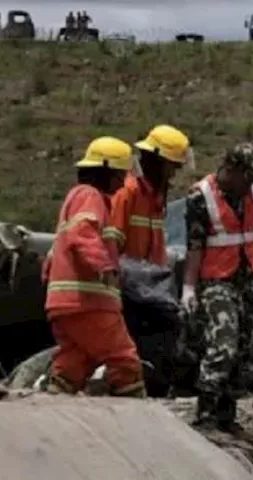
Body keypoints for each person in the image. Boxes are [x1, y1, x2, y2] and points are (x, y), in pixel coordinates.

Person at [180, 143, 253, 430]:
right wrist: (189, 288)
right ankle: (205, 412)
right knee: (223, 346)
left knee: (247, 350)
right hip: (216, 279)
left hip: (249, 276)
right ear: (231, 171)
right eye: (247, 177)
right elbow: (194, 244)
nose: (251, 184)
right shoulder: (200, 197)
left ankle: (226, 414)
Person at [43, 136, 146, 398]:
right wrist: (104, 266)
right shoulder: (90, 197)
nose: (124, 181)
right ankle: (136, 422)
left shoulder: (75, 199)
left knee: (75, 360)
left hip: (65, 304)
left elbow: (58, 249)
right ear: (107, 172)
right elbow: (82, 233)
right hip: (88, 303)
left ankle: (51, 407)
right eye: (121, 173)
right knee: (123, 359)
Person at [109, 125, 191, 266]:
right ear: (156, 161)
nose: (172, 174)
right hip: (128, 282)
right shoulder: (127, 192)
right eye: (171, 167)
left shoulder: (154, 199)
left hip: (150, 283)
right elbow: (111, 247)